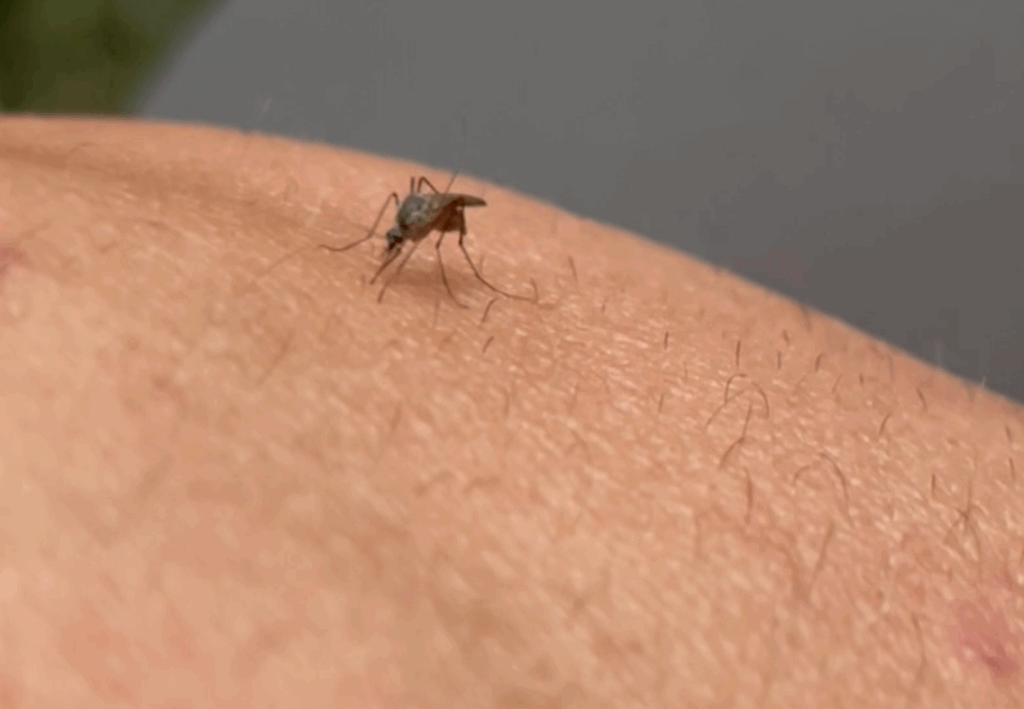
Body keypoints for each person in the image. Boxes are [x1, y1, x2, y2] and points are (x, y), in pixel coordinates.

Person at [1, 115, 1021, 708]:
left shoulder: (430, 226)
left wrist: (444, 235)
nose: (406, 239)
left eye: (404, 235)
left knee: (446, 224)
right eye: (402, 234)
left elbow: (434, 214)